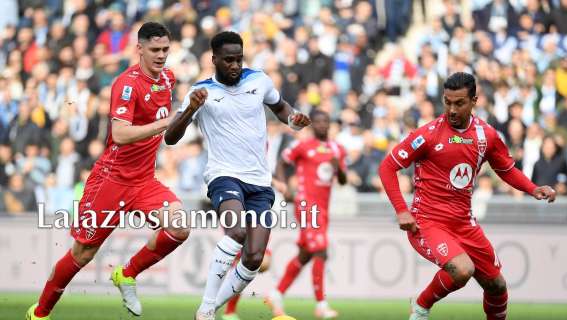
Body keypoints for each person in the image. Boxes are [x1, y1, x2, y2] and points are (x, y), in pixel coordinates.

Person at [27, 22, 190, 319]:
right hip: (110, 181)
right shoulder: (126, 84)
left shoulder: (168, 78)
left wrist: (185, 117)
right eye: (155, 49)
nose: (161, 55)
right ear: (139, 49)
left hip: (143, 181)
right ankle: (39, 313)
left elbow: (166, 132)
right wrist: (166, 123)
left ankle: (126, 274)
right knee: (83, 254)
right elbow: (122, 133)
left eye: (166, 49)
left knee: (179, 226)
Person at [378, 72, 557, 320]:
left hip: (464, 224)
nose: (452, 109)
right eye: (447, 102)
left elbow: (505, 169)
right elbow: (387, 166)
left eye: (459, 102)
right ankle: (420, 306)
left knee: (497, 287)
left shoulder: (486, 135)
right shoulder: (428, 134)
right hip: (427, 222)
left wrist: (532, 188)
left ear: (474, 100)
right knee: (462, 270)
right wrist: (401, 209)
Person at [164, 31, 311, 320]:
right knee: (236, 231)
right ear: (214, 59)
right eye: (228, 60)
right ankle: (207, 307)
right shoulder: (201, 91)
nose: (234, 65)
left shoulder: (259, 81)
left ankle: (209, 309)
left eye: (239, 59)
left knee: (254, 258)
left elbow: (282, 109)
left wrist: (295, 120)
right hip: (224, 176)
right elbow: (170, 136)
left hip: (259, 181)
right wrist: (191, 109)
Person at [265, 109, 347, 319]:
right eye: (317, 121)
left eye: (325, 121)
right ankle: (321, 305)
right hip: (306, 204)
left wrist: (340, 169)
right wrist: (285, 186)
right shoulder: (302, 146)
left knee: (306, 253)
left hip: (323, 208)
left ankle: (277, 293)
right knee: (320, 250)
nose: (321, 124)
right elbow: (282, 163)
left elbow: (343, 181)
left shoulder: (337, 149)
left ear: (329, 124)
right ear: (312, 125)